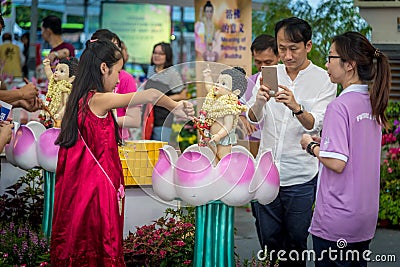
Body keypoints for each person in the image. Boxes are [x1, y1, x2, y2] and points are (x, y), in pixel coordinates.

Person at [51, 38, 194, 265]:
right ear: (103, 68)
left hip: (81, 188)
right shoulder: (98, 100)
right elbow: (149, 95)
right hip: (97, 191)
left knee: (79, 243)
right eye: (118, 71)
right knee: (100, 246)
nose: (119, 79)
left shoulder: (79, 99)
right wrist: (176, 106)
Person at [247, 17, 337, 267]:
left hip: (300, 176)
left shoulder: (324, 80)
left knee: (297, 243)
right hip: (266, 173)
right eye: (282, 48)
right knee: (269, 242)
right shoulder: (270, 74)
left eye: (293, 48)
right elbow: (252, 118)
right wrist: (260, 100)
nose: (286, 55)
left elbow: (315, 124)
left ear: (308, 46)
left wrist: (296, 107)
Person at [300, 32, 391, 267]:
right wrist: (326, 141)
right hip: (365, 216)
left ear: (349, 65)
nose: (326, 63)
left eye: (331, 57)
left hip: (337, 218)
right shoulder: (372, 102)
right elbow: (356, 147)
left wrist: (311, 146)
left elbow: (337, 162)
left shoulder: (339, 106)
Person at [91, 29, 141, 140]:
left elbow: (134, 120)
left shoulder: (125, 78)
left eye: (117, 48)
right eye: (110, 47)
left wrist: (99, 121)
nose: (116, 52)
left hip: (116, 141)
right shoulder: (84, 78)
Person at [239, 34, 280, 158]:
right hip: (256, 142)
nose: (262, 66)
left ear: (279, 56)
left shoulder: (288, 82)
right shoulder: (249, 83)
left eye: (268, 62)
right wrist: (243, 119)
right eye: (257, 62)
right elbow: (238, 107)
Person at [197, 66, 247, 161]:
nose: (218, 85)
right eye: (217, 82)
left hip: (223, 138)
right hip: (212, 137)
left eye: (223, 83)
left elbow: (228, 126)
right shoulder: (215, 99)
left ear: (235, 92)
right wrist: (207, 76)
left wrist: (219, 135)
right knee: (213, 158)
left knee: (223, 157)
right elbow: (209, 88)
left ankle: (224, 173)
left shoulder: (229, 107)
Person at [145, 42, 187, 142]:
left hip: (163, 119)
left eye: (161, 54)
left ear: (167, 56)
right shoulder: (151, 70)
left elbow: (183, 94)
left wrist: (162, 99)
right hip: (148, 118)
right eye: (155, 53)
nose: (157, 56)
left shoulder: (172, 73)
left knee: (160, 151)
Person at [39, 56, 78, 127]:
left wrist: (60, 114)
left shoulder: (65, 90)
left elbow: (67, 105)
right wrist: (47, 66)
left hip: (61, 118)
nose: (56, 72)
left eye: (61, 71)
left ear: (71, 79)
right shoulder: (54, 85)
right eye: (56, 70)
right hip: (52, 115)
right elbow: (50, 75)